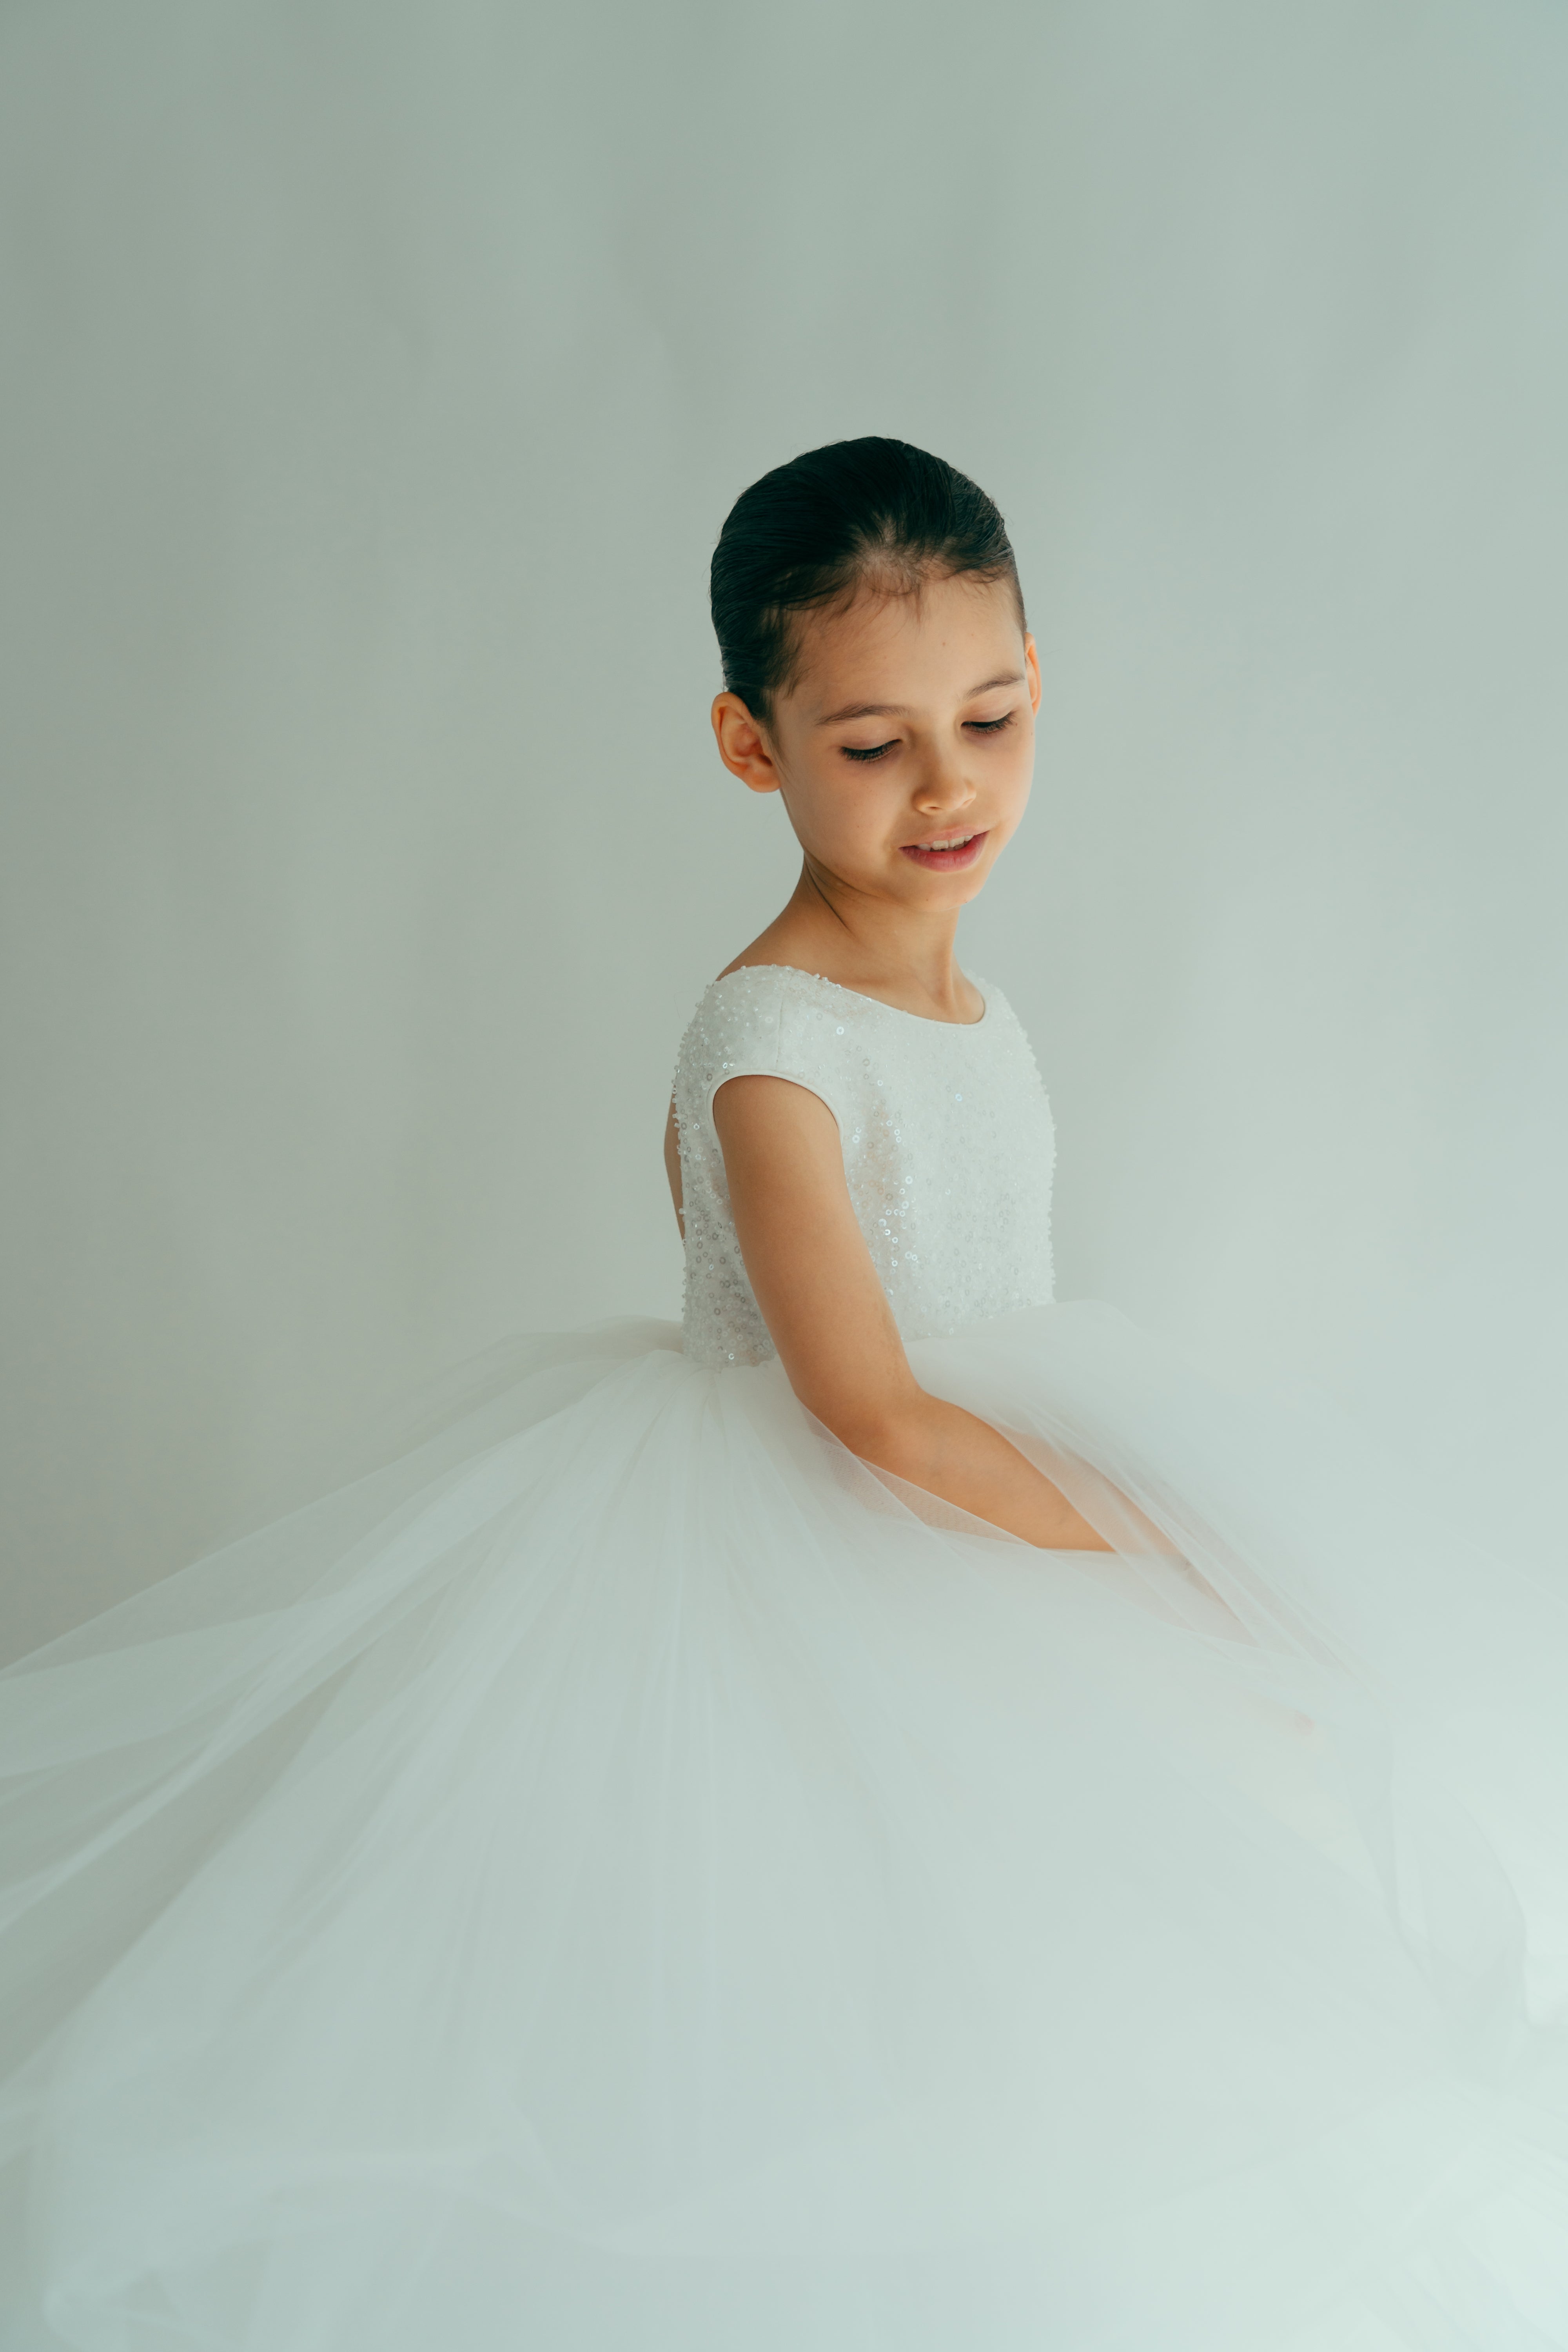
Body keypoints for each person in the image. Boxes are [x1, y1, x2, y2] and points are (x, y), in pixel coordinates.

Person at [2, 437, 1566, 2350]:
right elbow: (871, 1413)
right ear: (752, 745)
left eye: (988, 719)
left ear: (1037, 683)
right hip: (820, 1565)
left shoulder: (977, 1009)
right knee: (822, 2033)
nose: (948, 786)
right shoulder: (766, 1043)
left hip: (971, 1552)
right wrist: (1163, 1554)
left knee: (1082, 2018)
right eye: (872, 743)